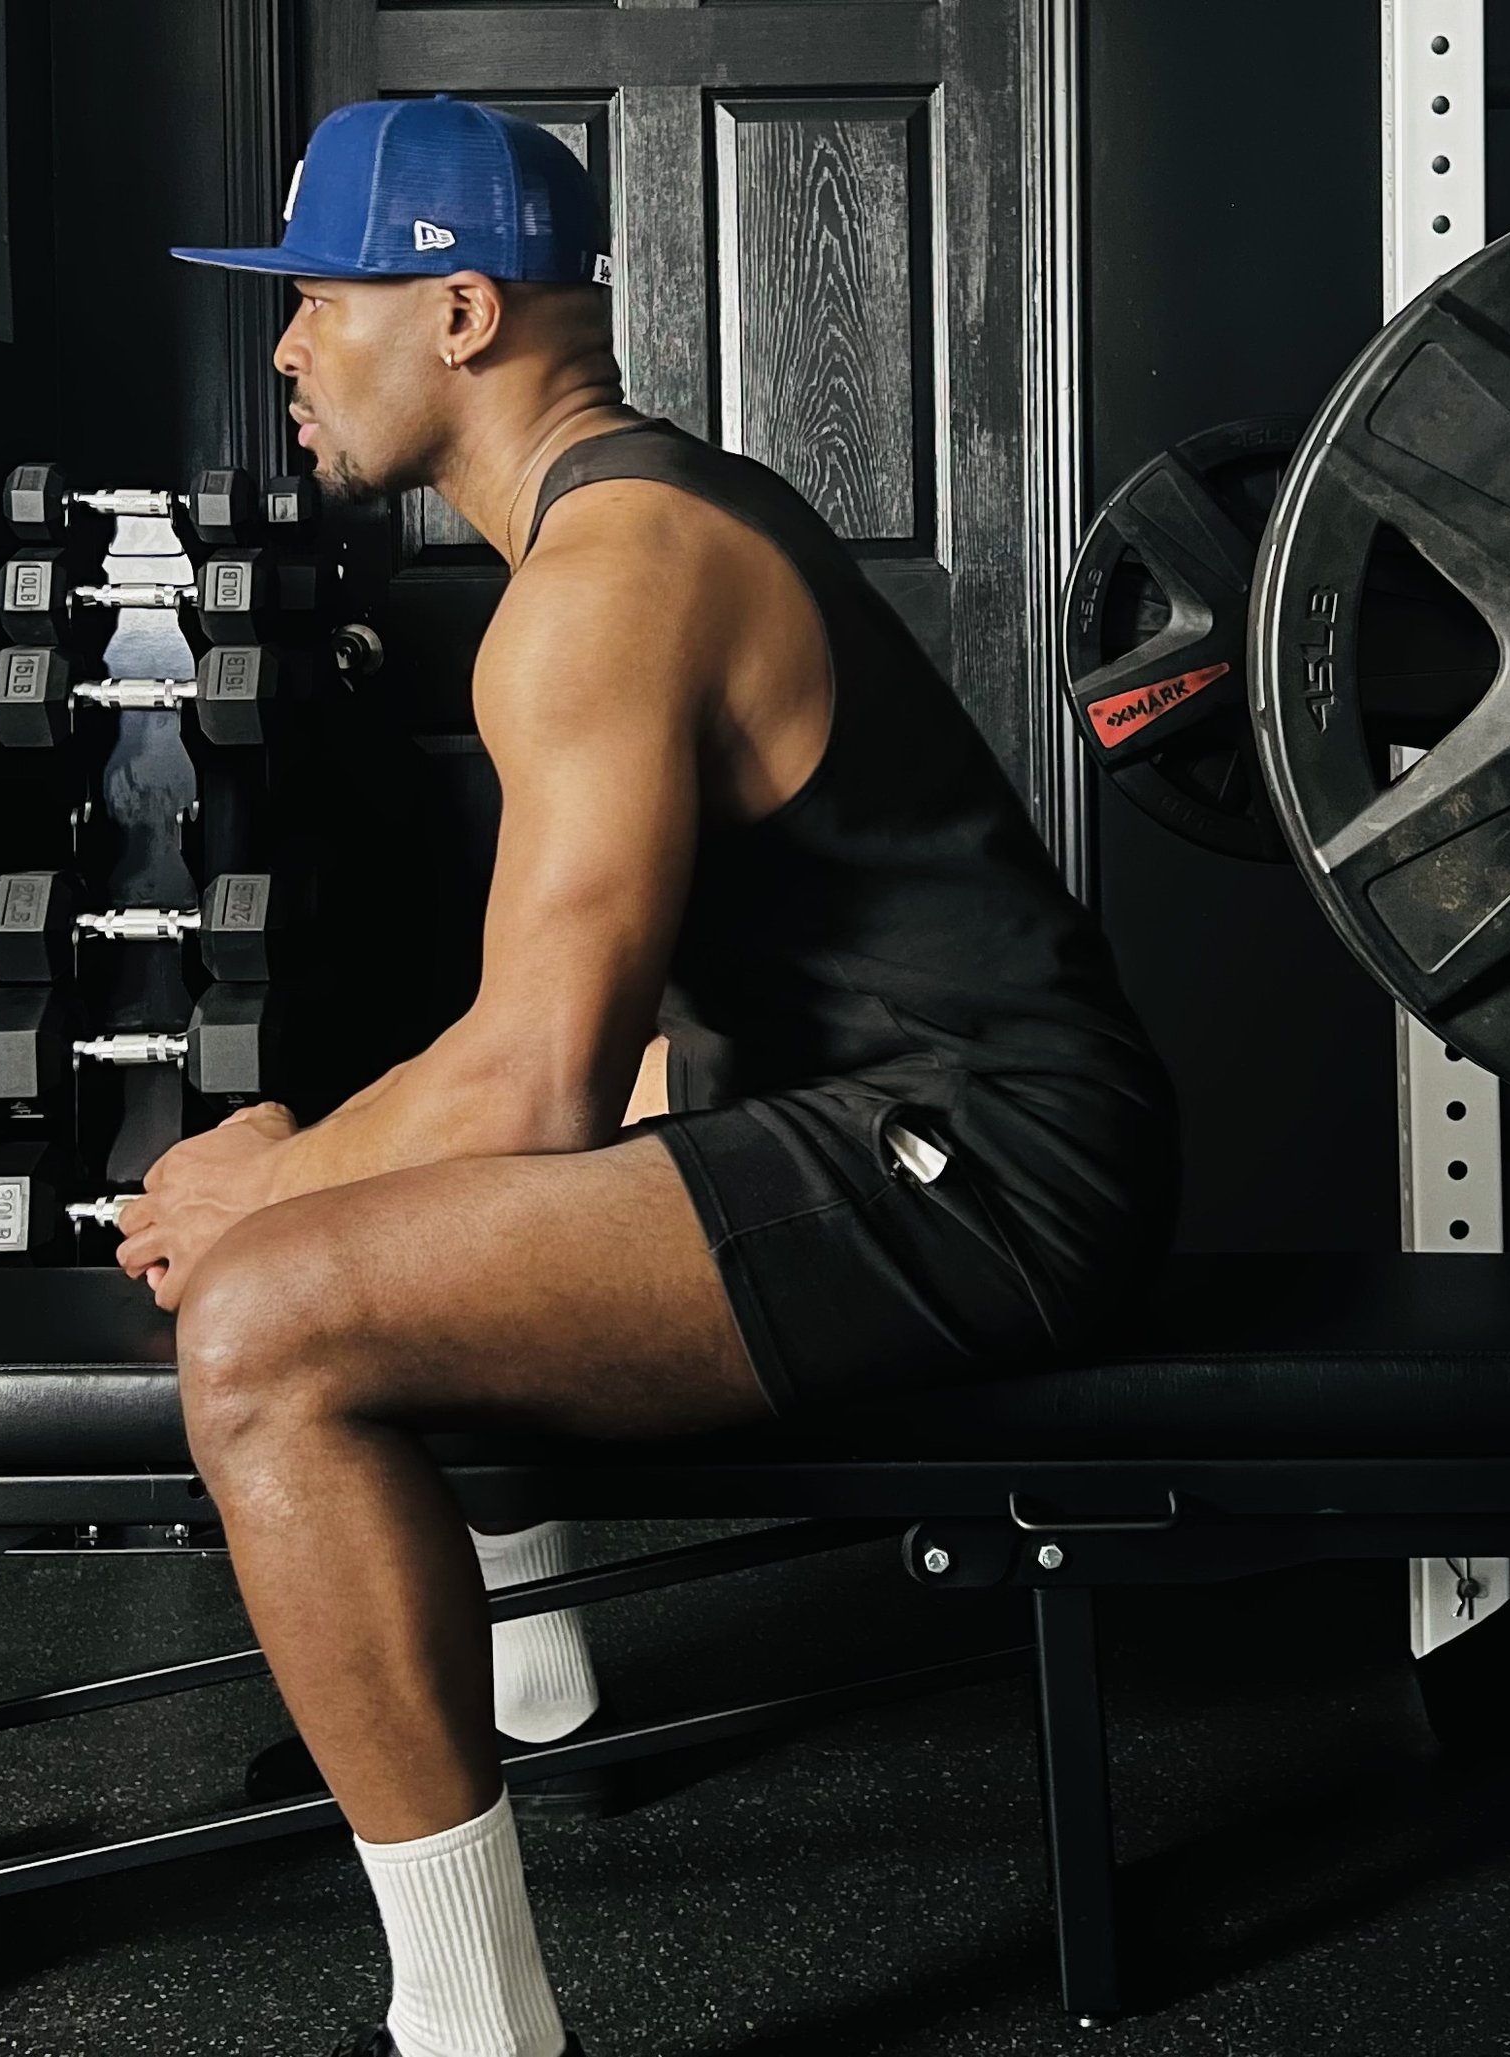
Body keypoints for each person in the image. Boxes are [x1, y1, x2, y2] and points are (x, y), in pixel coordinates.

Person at [141, 95, 1176, 2057]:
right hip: (909, 1131)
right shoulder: (644, 513)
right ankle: (524, 1683)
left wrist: (265, 1190)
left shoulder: (602, 590)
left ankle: (470, 2028)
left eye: (317, 300)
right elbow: (594, 1065)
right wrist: (331, 1168)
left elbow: (533, 1088)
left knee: (269, 1326)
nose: (282, 348)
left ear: (454, 312)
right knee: (380, 1220)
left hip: (990, 1164)